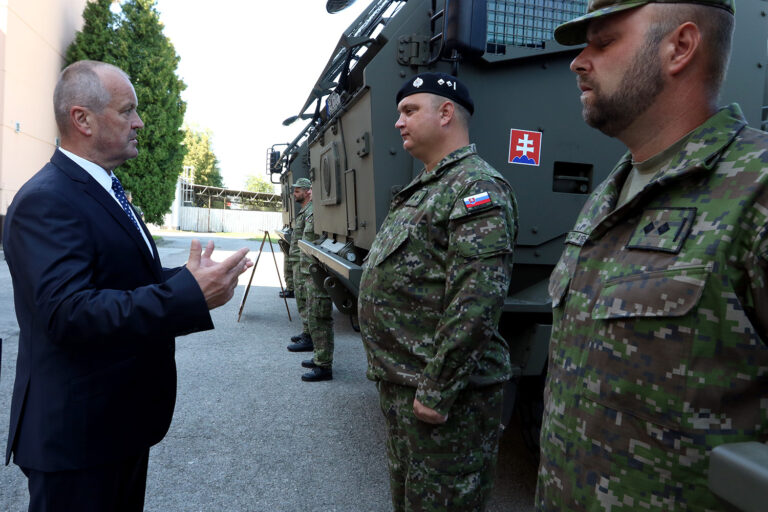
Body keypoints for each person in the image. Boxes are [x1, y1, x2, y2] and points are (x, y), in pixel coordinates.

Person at [536, 1, 768, 510]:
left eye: (604, 41)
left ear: (680, 47)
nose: (579, 60)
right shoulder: (611, 192)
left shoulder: (756, 191)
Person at [2, 60, 252, 512]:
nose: (139, 122)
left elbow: (124, 283)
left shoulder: (103, 188)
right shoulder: (48, 199)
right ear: (83, 119)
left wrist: (193, 281)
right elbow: (67, 313)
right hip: (77, 441)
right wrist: (186, 297)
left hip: (114, 428)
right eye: (127, 110)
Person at [358, 72, 518, 511]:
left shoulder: (475, 188)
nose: (398, 123)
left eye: (409, 111)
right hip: (405, 387)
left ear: (446, 113)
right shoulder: (427, 187)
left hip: (446, 399)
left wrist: (438, 390)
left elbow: (476, 301)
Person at [298, 202, 334, 381]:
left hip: (319, 270)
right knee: (314, 315)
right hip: (311, 270)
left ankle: (324, 366)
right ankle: (320, 357)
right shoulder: (316, 210)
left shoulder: (323, 210)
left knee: (320, 316)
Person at [286, 178, 314, 352]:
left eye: (297, 191)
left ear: (307, 191)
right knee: (300, 299)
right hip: (297, 261)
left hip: (303, 263)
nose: (294, 194)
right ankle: (306, 331)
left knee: (305, 299)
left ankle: (310, 337)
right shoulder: (304, 210)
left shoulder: (311, 211)